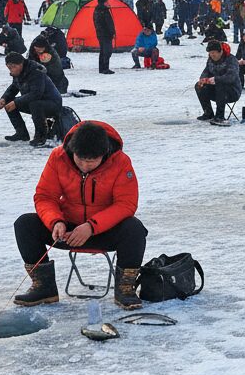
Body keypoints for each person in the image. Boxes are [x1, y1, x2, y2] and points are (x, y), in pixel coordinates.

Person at [12, 120, 147, 310]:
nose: (84, 166)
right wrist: (55, 222)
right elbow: (45, 196)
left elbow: (126, 204)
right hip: (67, 230)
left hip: (103, 231)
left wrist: (91, 226)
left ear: (104, 153)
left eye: (91, 162)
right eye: (80, 159)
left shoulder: (120, 162)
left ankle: (125, 289)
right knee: (25, 224)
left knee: (135, 229)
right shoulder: (58, 157)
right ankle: (44, 288)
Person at [0, 52, 63, 147]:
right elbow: (14, 87)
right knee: (9, 103)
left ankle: (41, 136)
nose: (11, 70)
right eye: (9, 68)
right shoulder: (19, 72)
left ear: (21, 64)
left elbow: (36, 93)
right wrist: (4, 98)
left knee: (35, 104)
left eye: (12, 67)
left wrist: (16, 102)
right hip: (34, 103)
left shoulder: (36, 71)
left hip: (52, 104)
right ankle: (21, 133)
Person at [195, 40, 242, 125]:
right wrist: (203, 80)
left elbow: (231, 77)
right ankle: (208, 113)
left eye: (214, 52)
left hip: (232, 92)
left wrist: (215, 79)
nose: (212, 55)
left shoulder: (231, 60)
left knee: (220, 83)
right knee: (199, 86)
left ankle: (220, 116)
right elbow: (206, 72)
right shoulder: (210, 60)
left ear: (220, 52)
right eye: (210, 53)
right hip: (216, 91)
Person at [94, 0, 116, 74]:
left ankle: (102, 68)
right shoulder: (104, 10)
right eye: (107, 1)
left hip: (100, 34)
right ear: (104, 2)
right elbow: (108, 23)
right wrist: (112, 32)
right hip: (105, 34)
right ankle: (105, 68)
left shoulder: (97, 10)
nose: (108, 3)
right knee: (107, 51)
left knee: (103, 51)